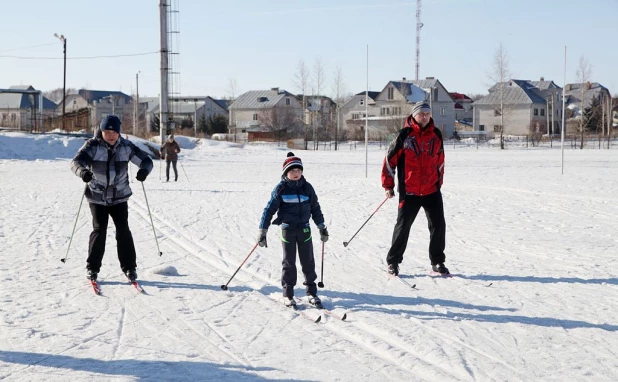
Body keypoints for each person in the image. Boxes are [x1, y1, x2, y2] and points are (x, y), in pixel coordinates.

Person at [70, 115, 154, 282]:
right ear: (101, 131)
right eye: (106, 131)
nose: (110, 135)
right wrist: (83, 172)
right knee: (99, 230)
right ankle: (92, 268)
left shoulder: (126, 147)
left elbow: (146, 161)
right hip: (97, 197)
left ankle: (130, 267)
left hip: (120, 196)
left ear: (118, 132)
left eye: (113, 131)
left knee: (123, 230)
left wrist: (144, 171)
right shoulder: (92, 146)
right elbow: (76, 162)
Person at [381, 101, 449, 276]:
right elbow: (389, 161)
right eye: (421, 114)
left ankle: (437, 261)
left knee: (438, 226)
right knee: (403, 227)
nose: (425, 116)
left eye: (427, 113)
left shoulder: (436, 134)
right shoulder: (404, 135)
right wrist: (389, 185)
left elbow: (440, 160)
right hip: (409, 191)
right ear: (414, 115)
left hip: (431, 190)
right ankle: (393, 262)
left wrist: (438, 182)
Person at [258, 152, 329, 308]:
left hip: (304, 229)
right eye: (292, 171)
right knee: (289, 262)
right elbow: (269, 210)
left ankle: (311, 292)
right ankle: (288, 294)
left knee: (308, 261)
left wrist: (321, 226)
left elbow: (315, 208)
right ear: (286, 173)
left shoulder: (307, 188)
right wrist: (263, 230)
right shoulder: (281, 189)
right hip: (288, 229)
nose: (296, 174)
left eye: (298, 170)